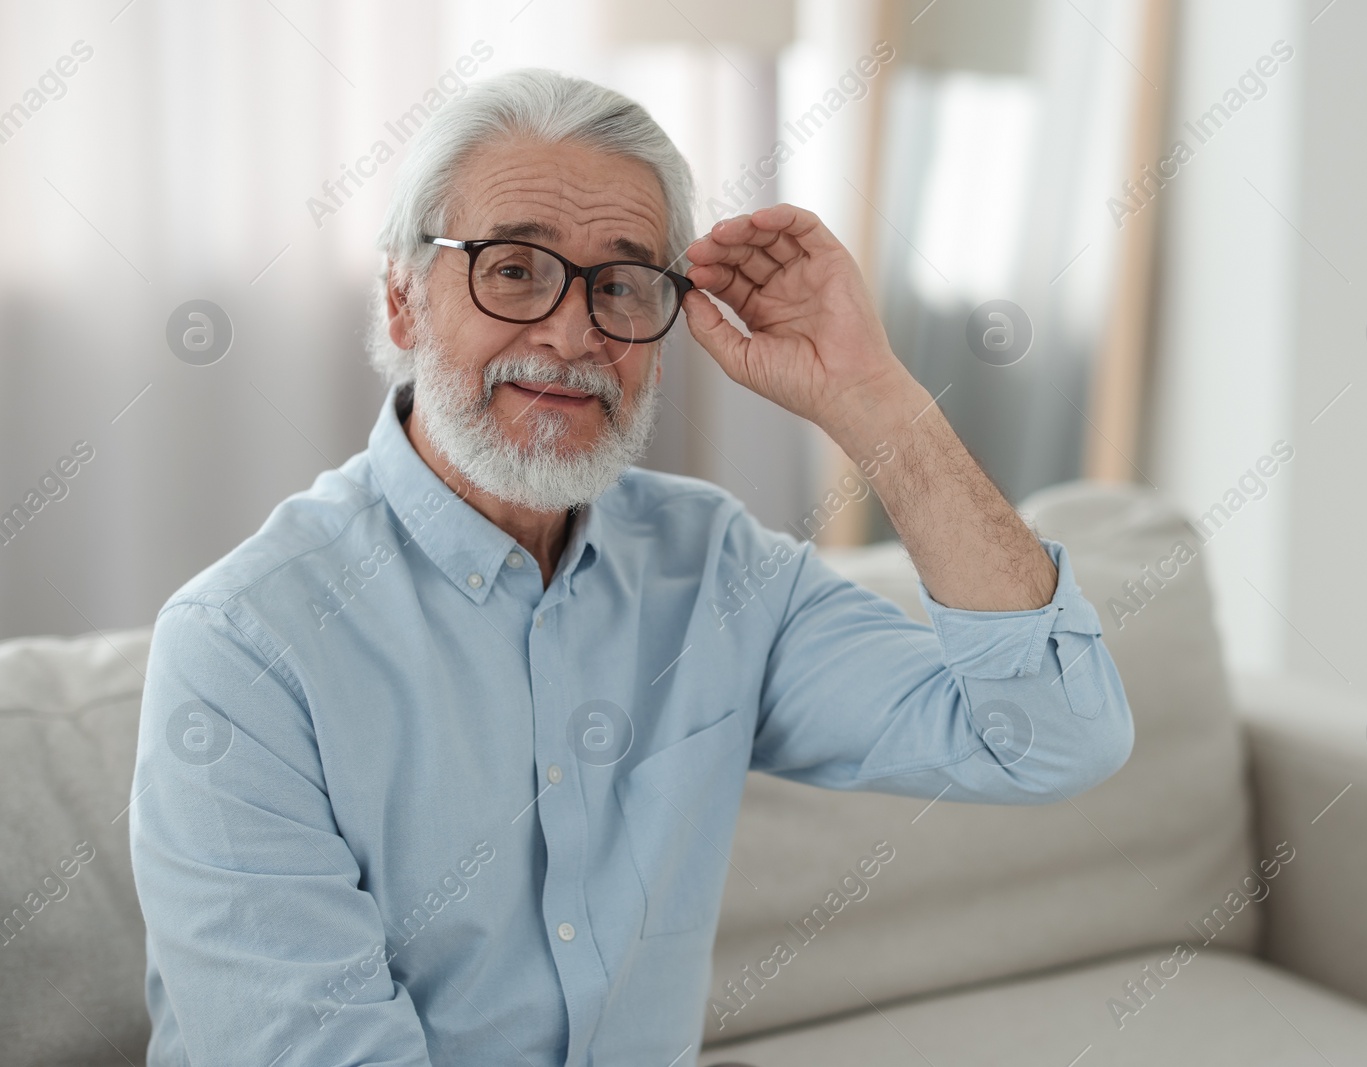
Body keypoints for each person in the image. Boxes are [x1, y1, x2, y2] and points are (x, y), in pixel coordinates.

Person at [130, 67, 1133, 1066]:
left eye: (620, 283)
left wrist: (871, 399)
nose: (573, 332)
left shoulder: (718, 569)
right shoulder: (241, 645)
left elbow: (1049, 738)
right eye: (514, 268)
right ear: (402, 301)